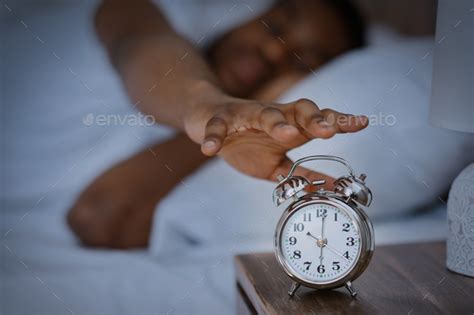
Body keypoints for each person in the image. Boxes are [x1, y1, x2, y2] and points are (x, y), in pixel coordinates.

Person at [67, 0, 368, 248]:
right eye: (274, 27)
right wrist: (208, 106)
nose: (274, 52)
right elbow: (140, 42)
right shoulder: (146, 14)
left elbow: (96, 215)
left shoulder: (245, 138)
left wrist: (234, 120)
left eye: (303, 62)